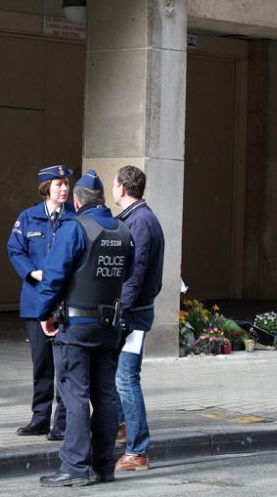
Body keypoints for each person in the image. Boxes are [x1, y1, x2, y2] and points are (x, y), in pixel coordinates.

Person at [33, 170, 134, 488]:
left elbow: (53, 277)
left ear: (77, 203)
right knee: (105, 394)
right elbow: (126, 274)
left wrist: (43, 313)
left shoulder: (75, 229)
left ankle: (75, 467)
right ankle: (104, 465)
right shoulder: (123, 231)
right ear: (102, 200)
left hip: (76, 327)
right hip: (109, 325)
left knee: (74, 395)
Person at [6, 165, 74, 440]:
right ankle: (40, 417)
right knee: (41, 363)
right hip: (36, 300)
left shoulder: (75, 217)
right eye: (59, 184)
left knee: (66, 364)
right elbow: (15, 249)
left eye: (67, 184)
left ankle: (64, 421)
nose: (65, 189)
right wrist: (31, 272)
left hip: (66, 302)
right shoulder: (28, 217)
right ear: (46, 187)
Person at [111, 165, 165, 472]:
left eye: (115, 184)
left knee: (126, 379)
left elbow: (136, 271)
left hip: (133, 314)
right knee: (119, 376)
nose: (113, 189)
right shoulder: (139, 218)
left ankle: (137, 450)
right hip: (134, 311)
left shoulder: (140, 222)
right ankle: (122, 426)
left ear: (122, 188)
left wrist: (123, 308)